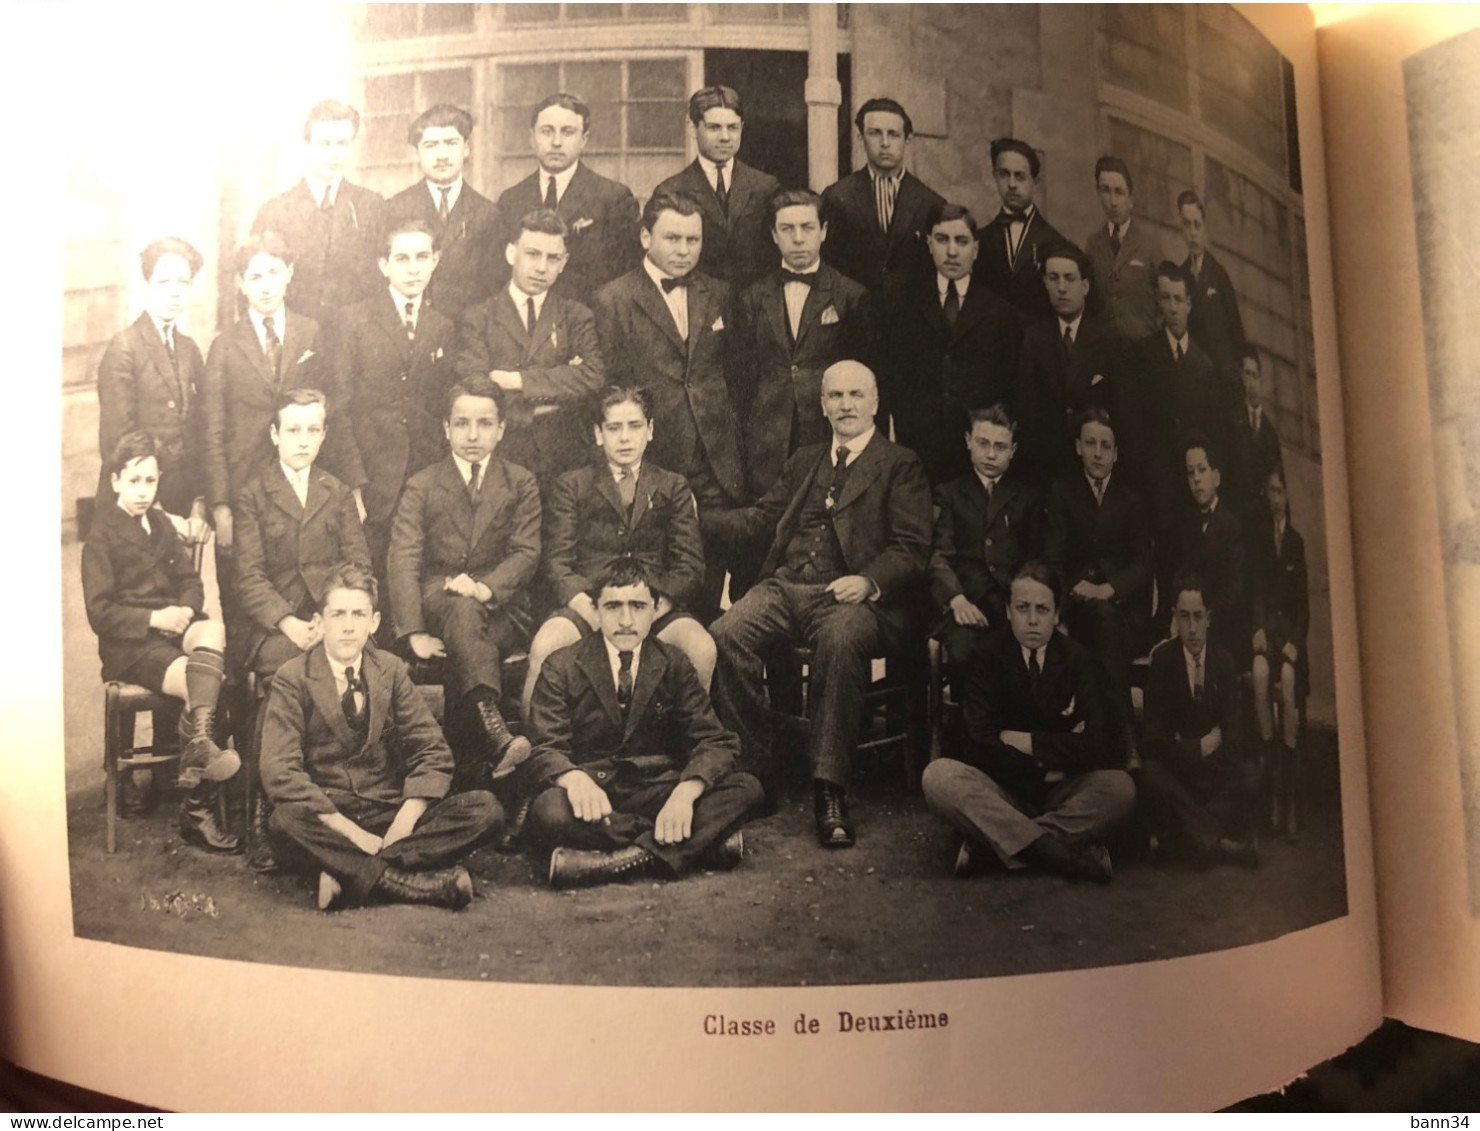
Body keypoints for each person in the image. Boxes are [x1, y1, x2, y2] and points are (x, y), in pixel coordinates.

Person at [710, 361, 931, 848]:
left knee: (838, 639)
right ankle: (756, 773)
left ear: (875, 402)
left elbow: (913, 547)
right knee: (726, 634)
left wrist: (869, 580)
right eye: (835, 396)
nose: (846, 405)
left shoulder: (900, 463)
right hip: (787, 587)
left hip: (850, 597)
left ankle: (829, 789)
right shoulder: (806, 459)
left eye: (856, 395)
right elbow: (759, 520)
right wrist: (691, 510)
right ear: (822, 404)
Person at [260, 561, 502, 910]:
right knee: (284, 822)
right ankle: (407, 883)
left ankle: (348, 873)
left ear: (373, 622)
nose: (347, 627)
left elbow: (432, 751)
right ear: (320, 622)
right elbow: (279, 771)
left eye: (358, 615)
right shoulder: (292, 677)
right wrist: (352, 834)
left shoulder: (390, 669)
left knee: (485, 810)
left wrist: (402, 824)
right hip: (331, 819)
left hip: (388, 812)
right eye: (337, 614)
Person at [524, 559, 764, 889]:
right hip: (598, 794)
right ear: (595, 611)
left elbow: (715, 740)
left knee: (747, 786)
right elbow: (544, 747)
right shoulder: (562, 665)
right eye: (613, 607)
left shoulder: (673, 662)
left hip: (657, 788)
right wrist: (574, 779)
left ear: (655, 609)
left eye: (637, 606)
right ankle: (689, 844)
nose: (625, 620)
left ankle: (616, 862)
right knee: (548, 810)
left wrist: (684, 794)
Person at [920, 562, 1134, 882]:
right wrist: (1046, 763)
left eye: (1042, 609)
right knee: (938, 777)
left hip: (1061, 790)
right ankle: (1061, 855)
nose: (1032, 620)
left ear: (1057, 614)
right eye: (1022, 608)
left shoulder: (1078, 659)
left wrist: (1025, 741)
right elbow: (978, 741)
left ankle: (995, 846)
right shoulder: (986, 655)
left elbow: (1098, 743)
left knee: (1121, 789)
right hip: (1003, 788)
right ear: (1008, 611)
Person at [82, 432, 240, 852]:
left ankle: (198, 747)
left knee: (213, 631)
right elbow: (100, 613)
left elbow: (190, 581)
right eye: (134, 481)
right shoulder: (102, 536)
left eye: (150, 481)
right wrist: (156, 617)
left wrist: (185, 612)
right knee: (202, 682)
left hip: (172, 629)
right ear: (115, 480)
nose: (142, 491)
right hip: (131, 646)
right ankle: (197, 809)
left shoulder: (161, 524)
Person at [594, 191, 746, 623]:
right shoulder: (614, 299)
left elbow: (737, 375)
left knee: (712, 580)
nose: (684, 251)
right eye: (673, 238)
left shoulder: (719, 293)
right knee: (660, 583)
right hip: (656, 458)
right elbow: (611, 386)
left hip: (717, 462)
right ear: (645, 237)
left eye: (693, 240)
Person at [387, 377, 540, 791]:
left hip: (503, 609)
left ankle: (473, 774)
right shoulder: (422, 484)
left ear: (502, 429)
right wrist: (414, 631)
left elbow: (526, 552)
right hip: (439, 602)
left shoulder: (520, 482)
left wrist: (484, 588)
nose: (473, 435)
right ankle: (494, 733)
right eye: (462, 423)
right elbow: (403, 558)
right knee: (459, 608)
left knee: (469, 612)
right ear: (446, 428)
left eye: (485, 424)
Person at [524, 384, 711, 718]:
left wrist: (653, 609)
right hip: (590, 604)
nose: (625, 438)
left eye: (634, 426)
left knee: (701, 647)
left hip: (655, 606)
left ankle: (691, 749)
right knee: (545, 644)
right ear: (599, 434)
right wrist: (593, 609)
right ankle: (539, 754)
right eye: (614, 428)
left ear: (650, 430)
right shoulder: (573, 485)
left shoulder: (673, 485)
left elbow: (690, 566)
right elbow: (557, 563)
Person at [201, 233, 342, 561]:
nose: (265, 286)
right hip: (244, 486)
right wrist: (221, 506)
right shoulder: (224, 346)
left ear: (290, 273)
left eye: (274, 273)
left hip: (300, 483)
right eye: (255, 277)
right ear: (240, 283)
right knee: (244, 590)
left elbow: (331, 411)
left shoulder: (310, 332)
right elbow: (212, 432)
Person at [331, 219, 457, 578]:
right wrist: (354, 483)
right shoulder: (353, 321)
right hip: (371, 478)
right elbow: (338, 409)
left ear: (436, 260)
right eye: (402, 258)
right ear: (383, 265)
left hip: (423, 474)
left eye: (422, 257)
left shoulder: (442, 325)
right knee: (372, 574)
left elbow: (440, 405)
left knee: (418, 573)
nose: (413, 268)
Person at [734, 188, 874, 503]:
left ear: (823, 231)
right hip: (767, 438)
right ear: (773, 234)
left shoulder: (850, 296)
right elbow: (741, 377)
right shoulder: (752, 298)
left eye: (807, 228)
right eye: (787, 229)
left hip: (826, 432)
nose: (798, 239)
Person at [231, 389, 370, 685]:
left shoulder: (338, 492)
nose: (303, 440)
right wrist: (289, 622)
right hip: (275, 629)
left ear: (324, 435)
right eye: (293, 430)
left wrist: (336, 618)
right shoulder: (253, 495)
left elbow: (359, 568)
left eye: (313, 430)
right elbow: (249, 578)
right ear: (274, 434)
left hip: (334, 621)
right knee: (305, 671)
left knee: (375, 670)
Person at [454, 208, 605, 481]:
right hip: (502, 458)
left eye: (553, 258)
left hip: (566, 461)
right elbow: (476, 387)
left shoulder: (575, 315)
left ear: (564, 262)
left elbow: (592, 375)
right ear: (512, 253)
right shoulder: (478, 318)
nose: (541, 267)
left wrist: (517, 381)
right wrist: (538, 408)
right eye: (532, 254)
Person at [877, 202, 1021, 485]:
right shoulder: (905, 305)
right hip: (918, 448)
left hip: (976, 453)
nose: (952, 251)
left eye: (961, 241)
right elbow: (893, 376)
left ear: (976, 249)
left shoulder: (999, 311)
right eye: (942, 240)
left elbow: (1009, 383)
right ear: (929, 244)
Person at [1042, 409, 1153, 770]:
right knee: (1098, 627)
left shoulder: (1131, 499)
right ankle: (1123, 739)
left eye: (1106, 446)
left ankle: (1107, 738)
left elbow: (1143, 564)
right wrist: (1075, 592)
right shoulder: (1062, 492)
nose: (1098, 453)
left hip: (1123, 611)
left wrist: (1109, 589)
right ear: (1078, 447)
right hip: (1077, 610)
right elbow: (1053, 560)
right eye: (1090, 443)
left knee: (1109, 624)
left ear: (1117, 452)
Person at [1120, 261, 1233, 604]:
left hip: (1188, 488)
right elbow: (1133, 424)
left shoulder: (1204, 366)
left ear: (1189, 304)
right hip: (1153, 482)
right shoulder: (1143, 354)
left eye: (1178, 299)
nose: (1172, 307)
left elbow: (1211, 432)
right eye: (1165, 298)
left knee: (1186, 568)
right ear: (1158, 301)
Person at [1139, 571, 1260, 868]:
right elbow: (1155, 737)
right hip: (1178, 777)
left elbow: (1232, 738)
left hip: (1212, 778)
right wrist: (1204, 744)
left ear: (1209, 618)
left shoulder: (1224, 662)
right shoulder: (1163, 661)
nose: (1191, 628)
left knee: (1251, 775)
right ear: (1174, 618)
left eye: (1198, 617)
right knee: (1149, 774)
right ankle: (1220, 844)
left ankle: (1182, 840)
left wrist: (1185, 744)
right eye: (1184, 617)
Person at [95, 237, 209, 532]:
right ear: (147, 285)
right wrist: (157, 513)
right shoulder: (124, 348)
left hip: (181, 501)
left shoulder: (188, 348)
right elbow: (117, 442)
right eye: (164, 282)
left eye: (183, 282)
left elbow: (199, 431)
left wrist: (198, 504)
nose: (174, 292)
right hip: (136, 505)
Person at [928, 404, 1042, 683]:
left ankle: (1011, 724)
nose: (991, 454)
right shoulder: (949, 494)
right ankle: (971, 723)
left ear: (1013, 450)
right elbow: (938, 556)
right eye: (983, 443)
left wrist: (1020, 603)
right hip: (964, 604)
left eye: (1000, 447)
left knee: (1021, 654)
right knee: (966, 650)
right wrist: (956, 599)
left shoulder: (1027, 498)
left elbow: (1037, 559)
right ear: (968, 441)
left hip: (1010, 605)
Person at [494, 92, 641, 308]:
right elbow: (500, 276)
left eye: (567, 132)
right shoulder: (511, 200)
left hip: (591, 325)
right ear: (531, 138)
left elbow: (628, 278)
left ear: (584, 140)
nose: (556, 142)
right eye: (547, 131)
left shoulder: (613, 198)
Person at [251, 100, 384, 331]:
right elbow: (254, 285)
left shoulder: (371, 206)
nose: (333, 154)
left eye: (342, 143)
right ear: (307, 146)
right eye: (324, 143)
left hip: (357, 342)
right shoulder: (275, 212)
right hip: (295, 343)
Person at [1014, 240, 1122, 489]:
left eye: (1069, 279)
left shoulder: (1109, 341)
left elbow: (1121, 411)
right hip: (1046, 471)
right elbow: (1026, 411)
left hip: (1093, 470)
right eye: (1053, 278)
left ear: (1085, 286)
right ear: (1044, 283)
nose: (1061, 288)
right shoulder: (1034, 338)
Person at [653, 86, 781, 288]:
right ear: (693, 128)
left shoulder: (765, 187)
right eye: (714, 127)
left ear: (742, 127)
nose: (725, 137)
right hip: (697, 305)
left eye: (733, 127)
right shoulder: (671, 190)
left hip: (754, 309)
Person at [383, 104, 501, 321]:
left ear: (466, 148)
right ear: (417, 152)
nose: (442, 155)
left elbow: (493, 290)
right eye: (430, 145)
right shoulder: (395, 208)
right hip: (411, 329)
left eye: (450, 143)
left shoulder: (487, 214)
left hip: (466, 334)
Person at [818, 97, 944, 294]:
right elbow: (827, 265)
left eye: (893, 134)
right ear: (860, 137)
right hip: (855, 317)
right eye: (875, 133)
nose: (885, 143)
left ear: (908, 139)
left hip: (911, 320)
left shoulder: (931, 203)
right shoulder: (836, 197)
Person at [1251, 466, 1309, 840]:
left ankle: (1287, 796)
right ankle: (1270, 765)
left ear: (1287, 496)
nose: (1275, 498)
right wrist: (1257, 627)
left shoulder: (1296, 542)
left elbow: (1303, 605)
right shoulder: (1259, 539)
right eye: (1270, 491)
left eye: (1280, 491)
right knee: (1258, 671)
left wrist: (1295, 642)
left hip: (1288, 636)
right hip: (1266, 635)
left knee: (1287, 680)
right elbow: (1255, 591)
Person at [1178, 436, 1249, 669]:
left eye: (1202, 470)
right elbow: (1180, 575)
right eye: (1190, 473)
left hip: (1222, 629)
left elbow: (1234, 591)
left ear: (1216, 477)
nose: (1196, 479)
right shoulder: (1187, 524)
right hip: (1190, 624)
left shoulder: (1231, 527)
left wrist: (1201, 618)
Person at [976, 138, 1066, 321]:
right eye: (1004, 174)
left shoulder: (1056, 243)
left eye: (1020, 176)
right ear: (994, 176)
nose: (1011, 184)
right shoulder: (979, 241)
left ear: (1036, 181)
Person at [1083, 156, 1160, 341]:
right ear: (1098, 193)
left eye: (1119, 192)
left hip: (1142, 353)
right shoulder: (1093, 245)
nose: (1113, 201)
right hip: (1105, 355)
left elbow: (1167, 300)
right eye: (1106, 191)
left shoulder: (1150, 245)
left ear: (1130, 198)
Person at [1178, 189, 1247, 381]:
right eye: (1186, 224)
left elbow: (1236, 330)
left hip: (1222, 376)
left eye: (1197, 225)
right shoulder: (1181, 276)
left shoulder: (1218, 275)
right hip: (1195, 378)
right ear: (1181, 229)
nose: (1192, 233)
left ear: (1204, 228)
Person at [1228, 345, 1284, 524]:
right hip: (1235, 513)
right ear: (1240, 377)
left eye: (1255, 375)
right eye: (1247, 374)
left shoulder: (1270, 434)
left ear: (1260, 380)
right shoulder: (1231, 421)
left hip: (1260, 520)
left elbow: (1277, 479)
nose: (1251, 382)